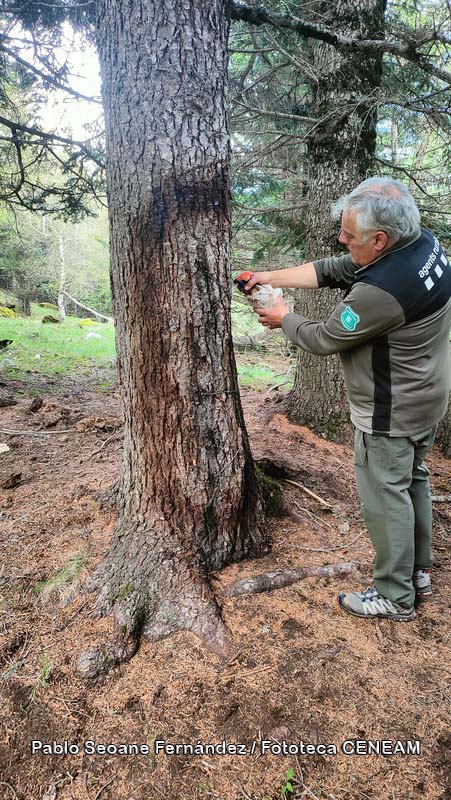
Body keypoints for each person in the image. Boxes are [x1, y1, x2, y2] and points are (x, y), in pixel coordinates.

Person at [244, 177, 451, 622]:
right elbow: (339, 267)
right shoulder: (420, 244)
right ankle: (416, 572)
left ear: (379, 240)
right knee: (409, 481)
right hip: (427, 397)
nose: (341, 239)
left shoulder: (382, 291)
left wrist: (283, 317)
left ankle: (395, 596)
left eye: (350, 235)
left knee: (383, 496)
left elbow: (325, 338)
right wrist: (271, 277)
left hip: (390, 409)